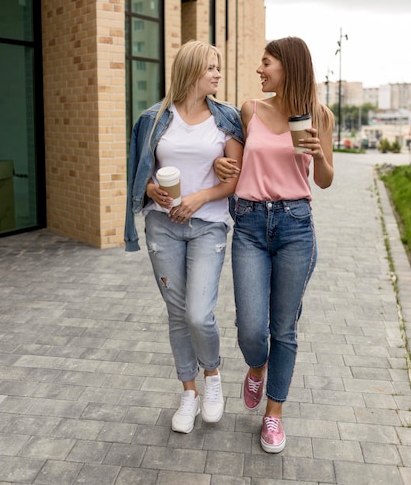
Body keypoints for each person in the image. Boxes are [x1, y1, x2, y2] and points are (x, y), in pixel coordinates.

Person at [215, 36, 334, 453]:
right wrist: (220, 163)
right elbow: (234, 161)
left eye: (266, 63)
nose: (259, 70)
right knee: (251, 327)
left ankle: (274, 415)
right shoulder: (250, 110)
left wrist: (319, 154)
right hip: (249, 224)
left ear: (288, 67)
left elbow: (324, 179)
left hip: (295, 226)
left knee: (284, 329)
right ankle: (255, 365)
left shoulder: (319, 116)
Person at [124, 40, 244, 434]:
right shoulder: (153, 119)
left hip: (208, 225)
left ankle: (212, 377)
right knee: (177, 315)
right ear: (192, 70)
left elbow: (235, 179)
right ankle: (188, 392)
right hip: (163, 226)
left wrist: (198, 198)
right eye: (211, 67)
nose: (218, 74)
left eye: (218, 67)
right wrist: (150, 191)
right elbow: (139, 173)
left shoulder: (225, 119)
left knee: (198, 313)